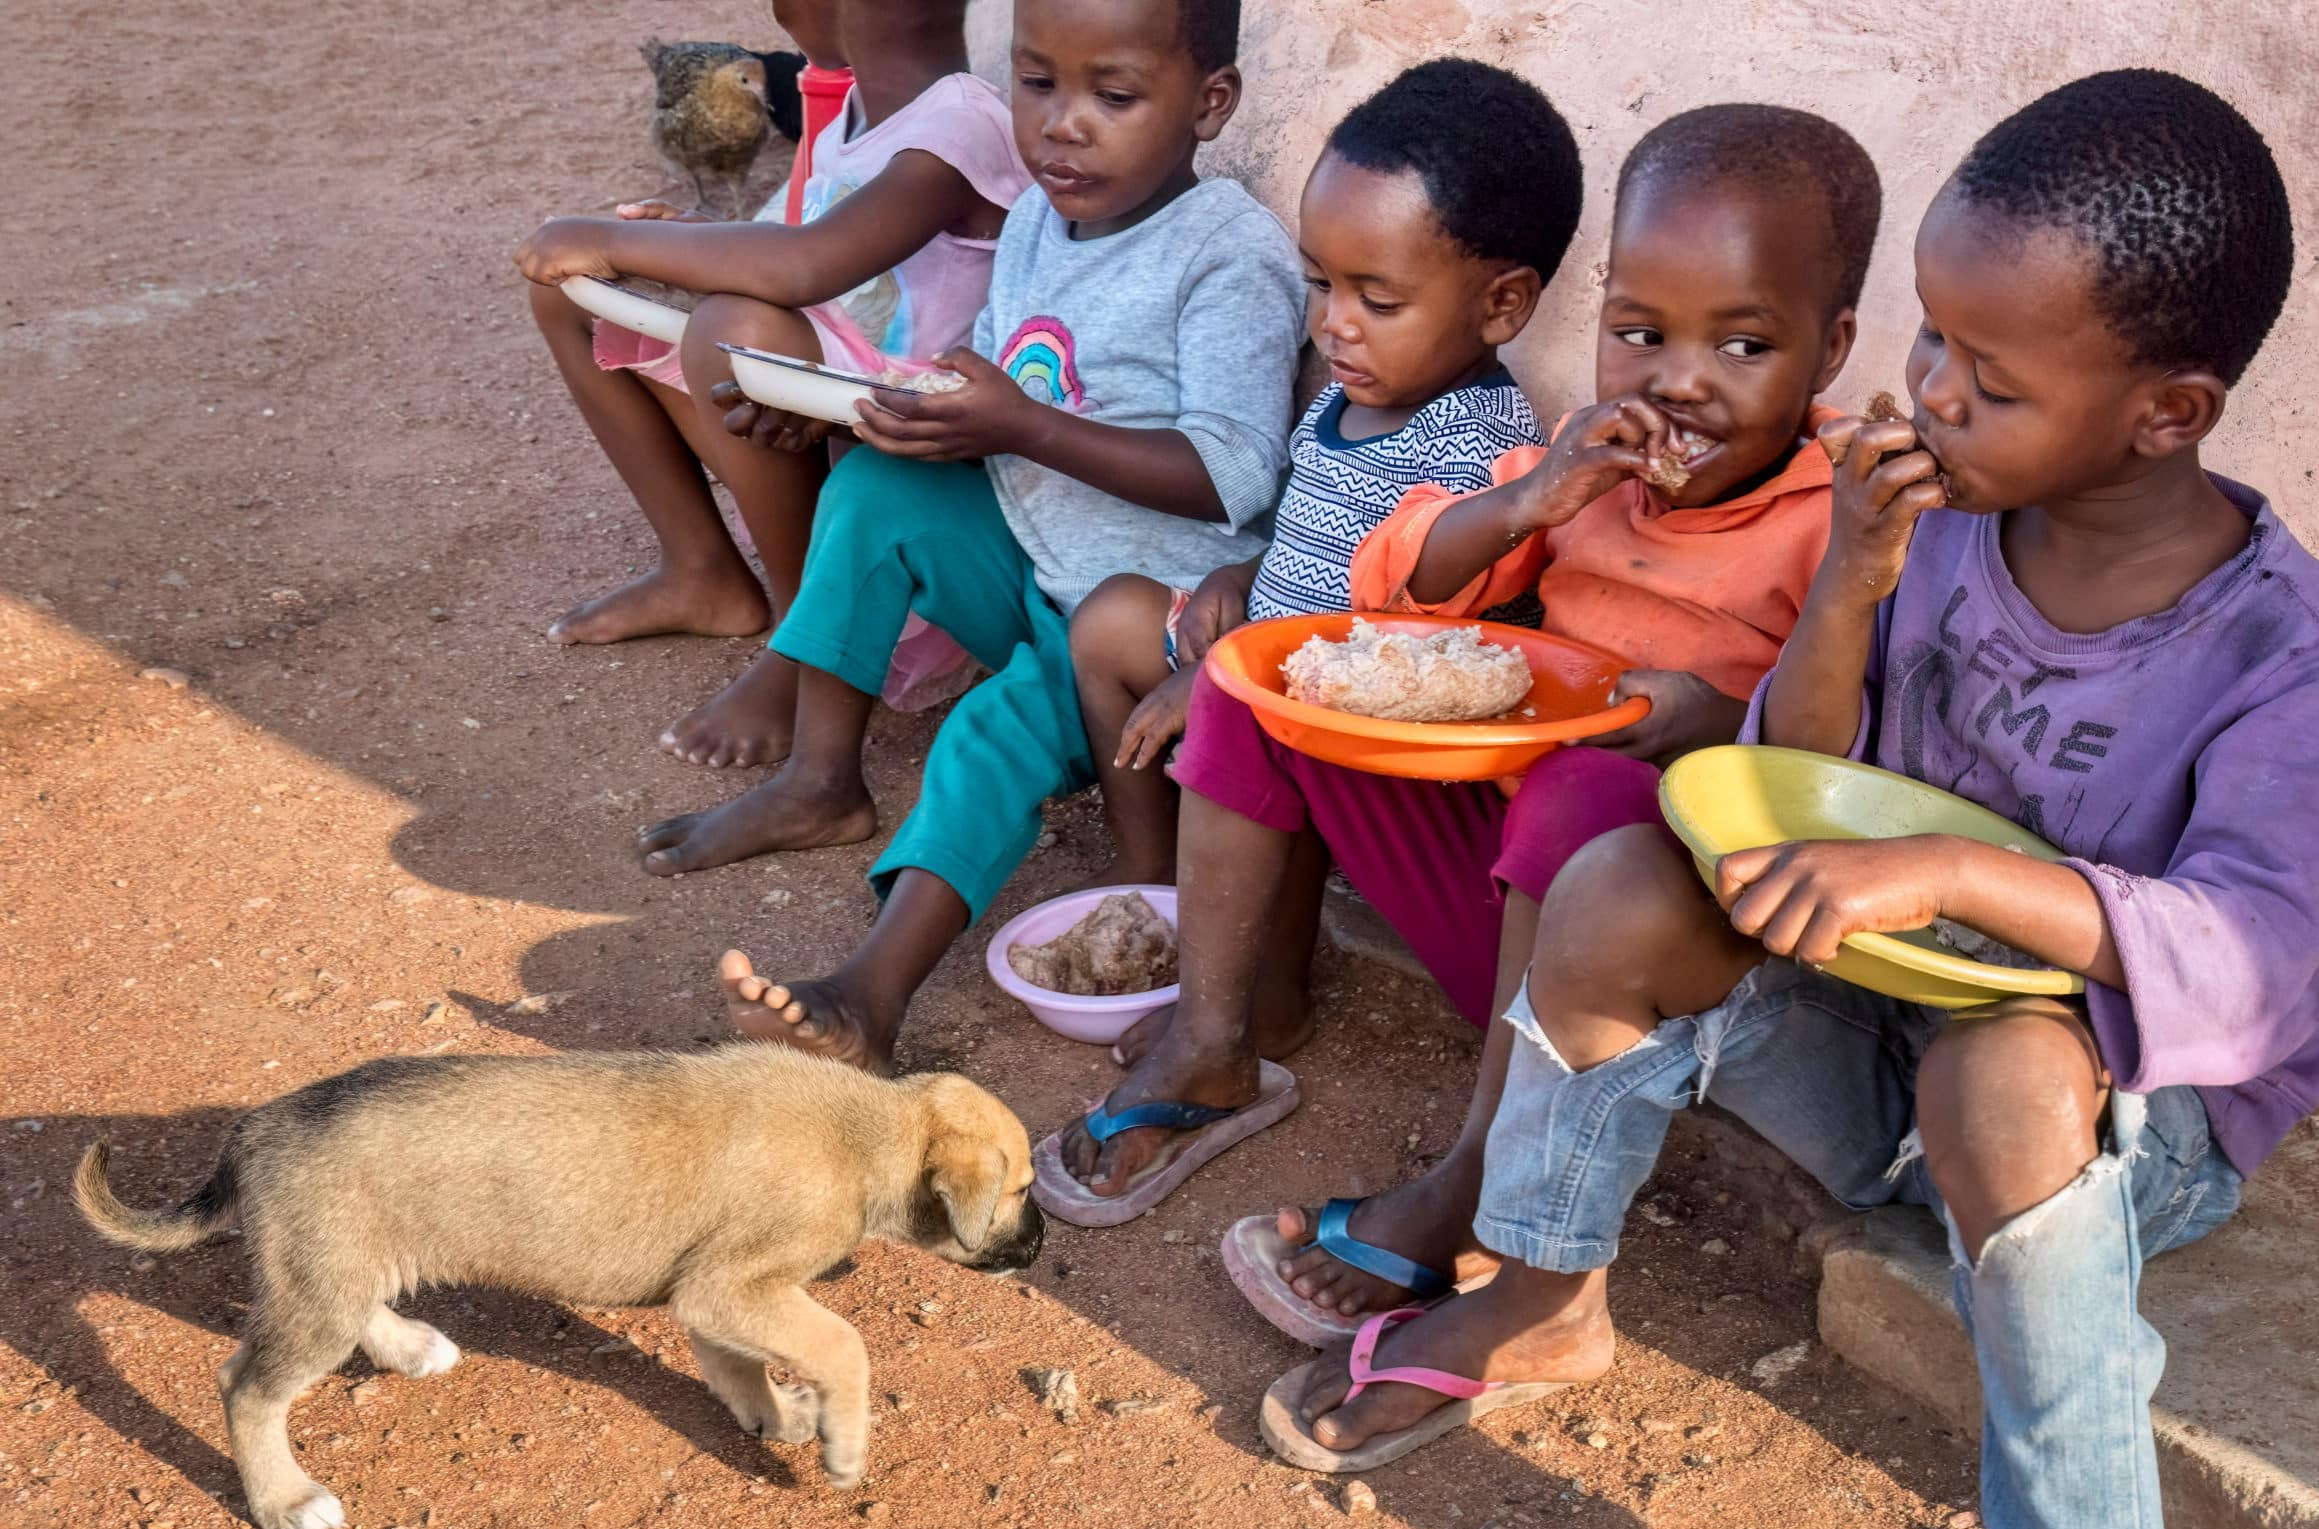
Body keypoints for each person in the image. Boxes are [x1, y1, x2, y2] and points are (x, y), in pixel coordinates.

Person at [1264, 71, 2319, 1529]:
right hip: (1878, 1028)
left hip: (2112, 1118)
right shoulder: (1935, 524)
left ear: (2170, 409)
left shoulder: (2288, 648)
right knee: (1626, 870)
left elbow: (2256, 961)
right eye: (1928, 341)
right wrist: (1847, 587)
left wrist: (1953, 870)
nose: (1924, 393)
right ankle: (1541, 1289)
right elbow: (1797, 769)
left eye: (1982, 378)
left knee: (2006, 1064)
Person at [1039, 106, 1881, 1244]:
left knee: (1582, 790)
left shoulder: (1842, 527)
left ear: (1828, 351)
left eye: (1741, 346)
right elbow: (1397, 576)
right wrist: (1533, 499)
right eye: (1638, 332)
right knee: (1259, 671)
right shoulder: (1588, 460)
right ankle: (1215, 1036)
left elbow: (1843, 758)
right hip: (1490, 896)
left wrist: (1712, 716)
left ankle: (1485, 1170)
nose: (1678, 383)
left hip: (1653, 955)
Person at [677, 0, 1303, 1075]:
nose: (1063, 125)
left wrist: (1023, 424)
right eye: (1035, 82)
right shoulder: (1036, 222)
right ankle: (823, 777)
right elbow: (1009, 400)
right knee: (874, 487)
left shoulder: (1226, 256)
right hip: (1030, 554)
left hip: (1142, 629)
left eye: (1111, 95)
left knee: (988, 732)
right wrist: (875, 413)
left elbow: (1234, 476)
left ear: (1210, 104)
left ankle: (870, 993)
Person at [1066, 56, 1579, 898]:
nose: (1334, 326)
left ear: (1501, 305)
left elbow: (1401, 633)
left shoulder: (1476, 440)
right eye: (1319, 283)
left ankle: (1267, 994)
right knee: (1109, 621)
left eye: (1376, 301)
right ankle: (1152, 871)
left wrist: (1225, 672)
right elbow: (1310, 537)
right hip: (1264, 655)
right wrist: (1242, 576)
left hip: (1355, 718)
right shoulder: (1345, 397)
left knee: (1254, 732)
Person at [516, 0, 1029, 769]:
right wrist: (672, 241)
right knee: (570, 293)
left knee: (735, 328)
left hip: (904, 482)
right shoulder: (864, 108)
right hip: (816, 426)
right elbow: (800, 243)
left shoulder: (959, 130)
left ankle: (805, 640)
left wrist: (615, 238)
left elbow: (803, 267)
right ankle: (703, 570)